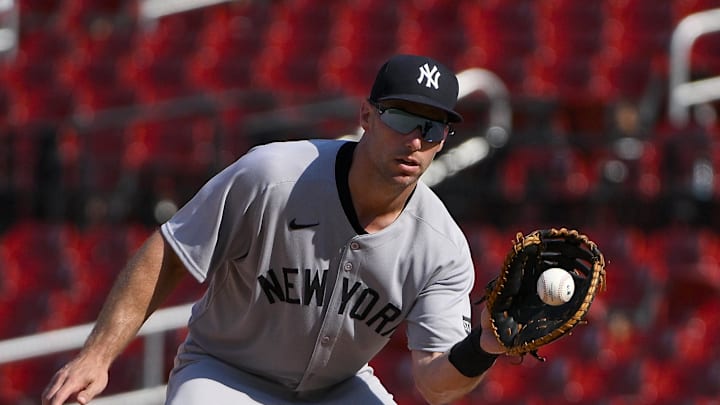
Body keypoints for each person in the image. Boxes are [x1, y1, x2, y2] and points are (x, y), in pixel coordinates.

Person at [42, 54, 505, 405]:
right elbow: (169, 252)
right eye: (401, 117)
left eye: (432, 127)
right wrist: (96, 356)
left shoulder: (441, 248)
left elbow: (434, 382)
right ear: (366, 117)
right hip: (225, 374)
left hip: (338, 389)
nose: (415, 140)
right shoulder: (272, 175)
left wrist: (483, 346)